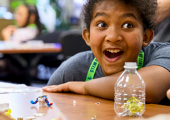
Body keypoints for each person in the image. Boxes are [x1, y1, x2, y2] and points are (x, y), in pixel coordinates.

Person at [42, 0, 170, 105]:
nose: (113, 37)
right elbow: (44, 107)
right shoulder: (72, 70)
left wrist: (85, 87)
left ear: (146, 37)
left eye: (128, 25)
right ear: (87, 36)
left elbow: (147, 88)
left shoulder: (164, 53)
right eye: (102, 24)